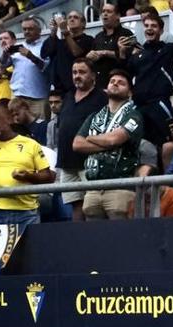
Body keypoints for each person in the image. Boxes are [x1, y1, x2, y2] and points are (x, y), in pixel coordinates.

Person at [0, 101, 54, 228]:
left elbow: (48, 176)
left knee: (30, 248)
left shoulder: (30, 144)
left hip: (27, 211)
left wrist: (28, 176)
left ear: (9, 119)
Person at [73, 69, 143, 220]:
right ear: (106, 88)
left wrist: (92, 138)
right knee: (95, 240)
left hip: (120, 188)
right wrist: (107, 142)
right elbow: (77, 144)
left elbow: (114, 139)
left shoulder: (134, 115)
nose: (115, 84)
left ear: (129, 92)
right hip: (92, 188)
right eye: (112, 82)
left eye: (121, 83)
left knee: (121, 238)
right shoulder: (95, 116)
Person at [124, 0, 173, 147]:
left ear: (161, 31)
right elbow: (125, 75)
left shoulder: (169, 50)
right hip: (138, 106)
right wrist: (122, 53)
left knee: (168, 143)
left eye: (154, 26)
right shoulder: (137, 54)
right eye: (147, 25)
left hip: (159, 104)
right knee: (135, 144)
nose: (150, 29)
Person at [56, 58, 106, 222]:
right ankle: (77, 239)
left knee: (92, 205)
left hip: (89, 160)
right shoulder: (69, 96)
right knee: (75, 204)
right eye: (74, 72)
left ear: (93, 75)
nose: (77, 76)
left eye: (82, 72)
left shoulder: (101, 98)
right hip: (66, 161)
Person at [3, 19, 50, 118]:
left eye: (30, 29)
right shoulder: (16, 47)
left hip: (38, 98)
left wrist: (31, 56)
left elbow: (47, 69)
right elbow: (2, 66)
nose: (27, 32)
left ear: (39, 30)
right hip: (17, 96)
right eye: (24, 29)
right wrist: (5, 54)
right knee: (17, 129)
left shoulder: (46, 46)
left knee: (39, 128)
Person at [43, 10, 94, 93]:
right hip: (59, 89)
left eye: (76, 17)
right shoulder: (61, 42)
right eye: (69, 17)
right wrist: (53, 31)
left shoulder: (88, 39)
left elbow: (76, 53)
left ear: (83, 24)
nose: (72, 19)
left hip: (77, 87)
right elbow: (45, 53)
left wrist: (65, 32)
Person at [89, 3, 136, 83]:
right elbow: (93, 57)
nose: (105, 14)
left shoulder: (127, 33)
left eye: (109, 11)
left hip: (119, 82)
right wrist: (90, 56)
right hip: (100, 83)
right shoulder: (98, 37)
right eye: (103, 11)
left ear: (118, 15)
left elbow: (131, 56)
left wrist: (105, 53)